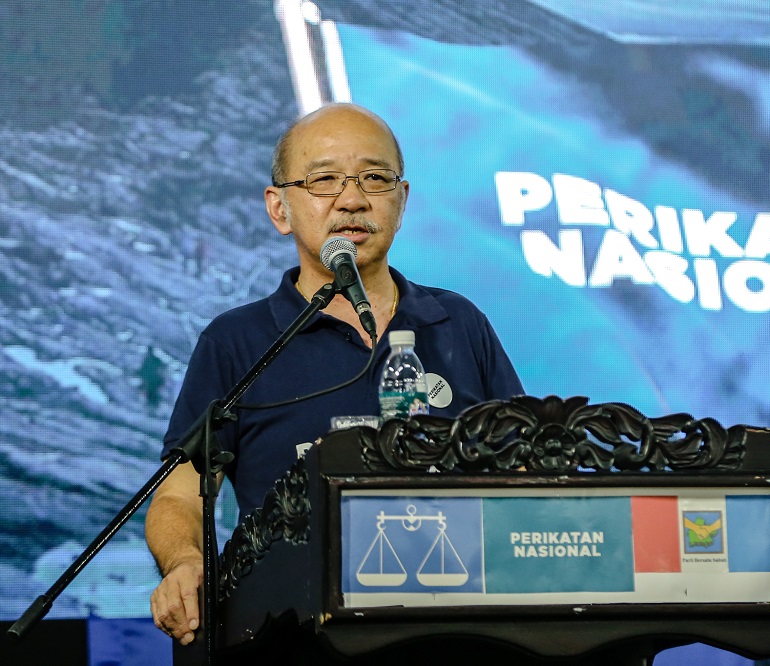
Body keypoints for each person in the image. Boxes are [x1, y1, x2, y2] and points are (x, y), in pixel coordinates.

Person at [144, 103, 524, 646]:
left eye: (375, 177)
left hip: (457, 626)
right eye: (324, 180)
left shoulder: (458, 323)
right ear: (280, 209)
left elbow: (520, 471)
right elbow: (179, 495)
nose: (352, 199)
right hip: (293, 633)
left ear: (401, 200)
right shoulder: (240, 342)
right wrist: (185, 561)